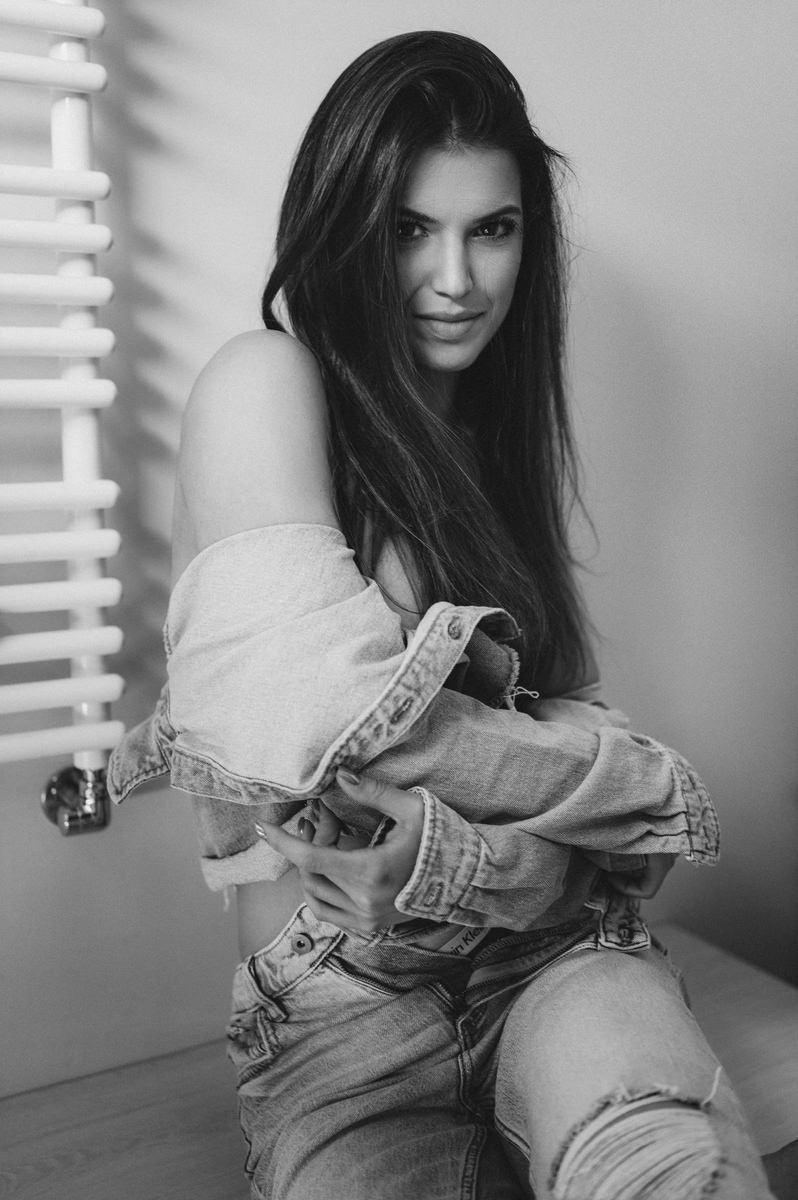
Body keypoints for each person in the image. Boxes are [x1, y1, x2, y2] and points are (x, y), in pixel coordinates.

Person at [108, 30, 775, 1200]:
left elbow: (578, 827)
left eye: (492, 229)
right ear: (343, 226)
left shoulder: (486, 453)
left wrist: (488, 866)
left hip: (560, 968)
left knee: (678, 1174)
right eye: (411, 229)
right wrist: (637, 788)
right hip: (342, 1017)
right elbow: (323, 733)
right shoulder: (266, 383)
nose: (457, 279)